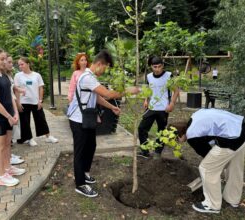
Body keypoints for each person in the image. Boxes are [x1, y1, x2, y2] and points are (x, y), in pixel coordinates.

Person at [67, 50, 139, 198]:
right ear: (99, 64)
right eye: (105, 68)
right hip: (77, 119)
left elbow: (98, 97)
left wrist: (112, 107)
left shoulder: (91, 77)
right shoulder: (87, 77)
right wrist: (128, 90)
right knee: (80, 151)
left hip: (86, 119)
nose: (104, 71)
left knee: (91, 146)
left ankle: (84, 173)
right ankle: (80, 184)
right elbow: (107, 94)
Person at [171, 108, 245, 214]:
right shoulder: (195, 117)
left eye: (177, 140)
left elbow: (207, 154)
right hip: (242, 130)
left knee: (207, 168)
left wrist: (212, 171)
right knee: (234, 166)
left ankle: (212, 205)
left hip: (232, 138)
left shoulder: (192, 135)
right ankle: (232, 199)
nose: (179, 143)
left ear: (179, 135)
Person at [0, 48, 25, 187]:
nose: (4, 62)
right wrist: (8, 116)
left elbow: (10, 96)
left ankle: (8, 168)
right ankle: (1, 175)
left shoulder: (3, 75)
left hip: (9, 116)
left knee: (8, 144)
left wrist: (15, 113)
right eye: (1, 59)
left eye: (4, 59)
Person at [138, 56, 179, 159]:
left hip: (163, 109)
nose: (157, 69)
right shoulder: (148, 76)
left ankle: (157, 153)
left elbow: (176, 90)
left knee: (161, 131)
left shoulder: (169, 76)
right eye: (155, 67)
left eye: (159, 66)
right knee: (141, 128)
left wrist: (172, 104)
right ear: (151, 67)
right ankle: (145, 151)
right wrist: (146, 100)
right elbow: (148, 89)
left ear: (163, 66)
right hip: (151, 108)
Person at [14, 57, 58, 146]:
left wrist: (40, 100)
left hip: (35, 101)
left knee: (41, 119)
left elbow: (40, 88)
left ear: (28, 64)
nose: (20, 66)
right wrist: (18, 103)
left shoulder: (37, 75)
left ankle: (48, 136)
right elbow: (16, 90)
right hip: (24, 102)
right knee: (25, 121)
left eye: (22, 64)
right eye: (19, 65)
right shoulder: (18, 75)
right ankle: (29, 138)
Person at [4, 54, 25, 165]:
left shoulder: (9, 75)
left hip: (12, 104)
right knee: (8, 133)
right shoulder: (1, 76)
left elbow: (12, 87)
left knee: (12, 131)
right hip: (8, 106)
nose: (12, 65)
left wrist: (19, 90)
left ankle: (10, 154)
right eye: (9, 62)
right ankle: (8, 157)